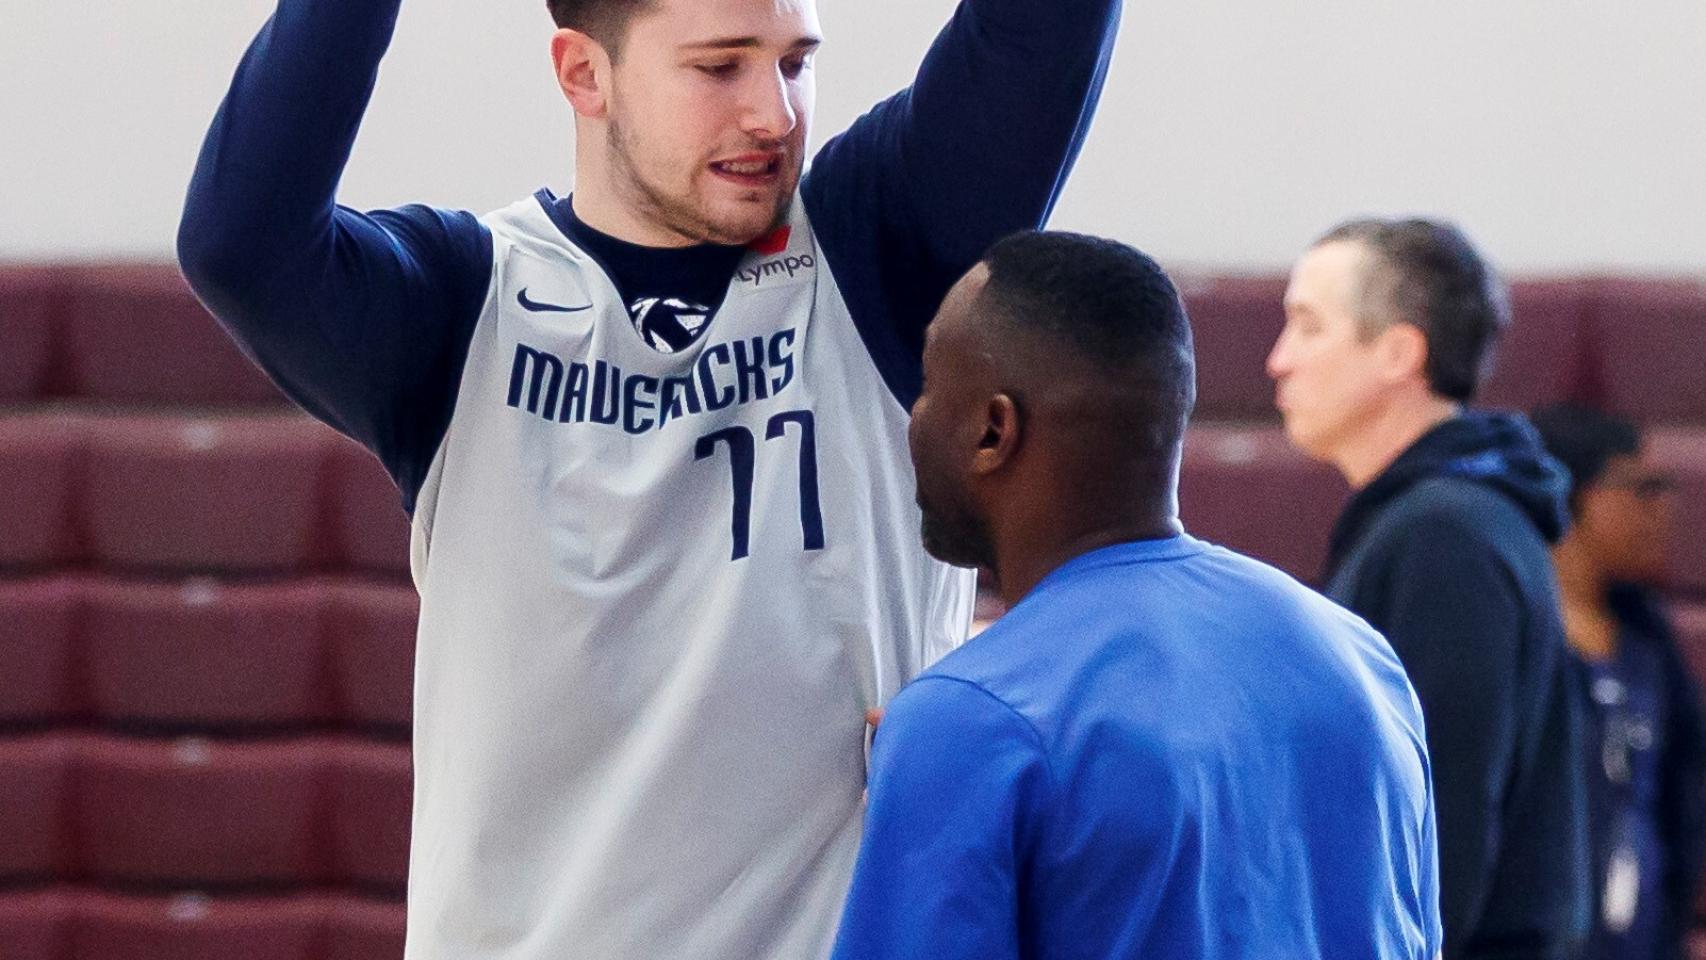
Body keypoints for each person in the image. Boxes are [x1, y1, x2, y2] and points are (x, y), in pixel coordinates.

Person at [175, 0, 1119, 954]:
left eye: (796, 64)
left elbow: (1043, 30)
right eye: (721, 69)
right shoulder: (465, 303)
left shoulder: (879, 249)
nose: (775, 114)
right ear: (585, 75)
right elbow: (237, 245)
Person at [833, 230, 1441, 960]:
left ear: (994, 430)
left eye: (929, 387)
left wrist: (940, 758)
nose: (915, 419)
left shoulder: (966, 723)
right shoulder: (1359, 660)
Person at [1266, 217, 1591, 959]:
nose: (1278, 360)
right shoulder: (1436, 519)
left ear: (1398, 353)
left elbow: (1439, 830)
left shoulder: (1444, 538)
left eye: (1308, 328)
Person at [1532, 403, 1706, 960]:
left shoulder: (1648, 639)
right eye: (1643, 487)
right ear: (1574, 494)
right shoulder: (1520, 638)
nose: (1663, 509)